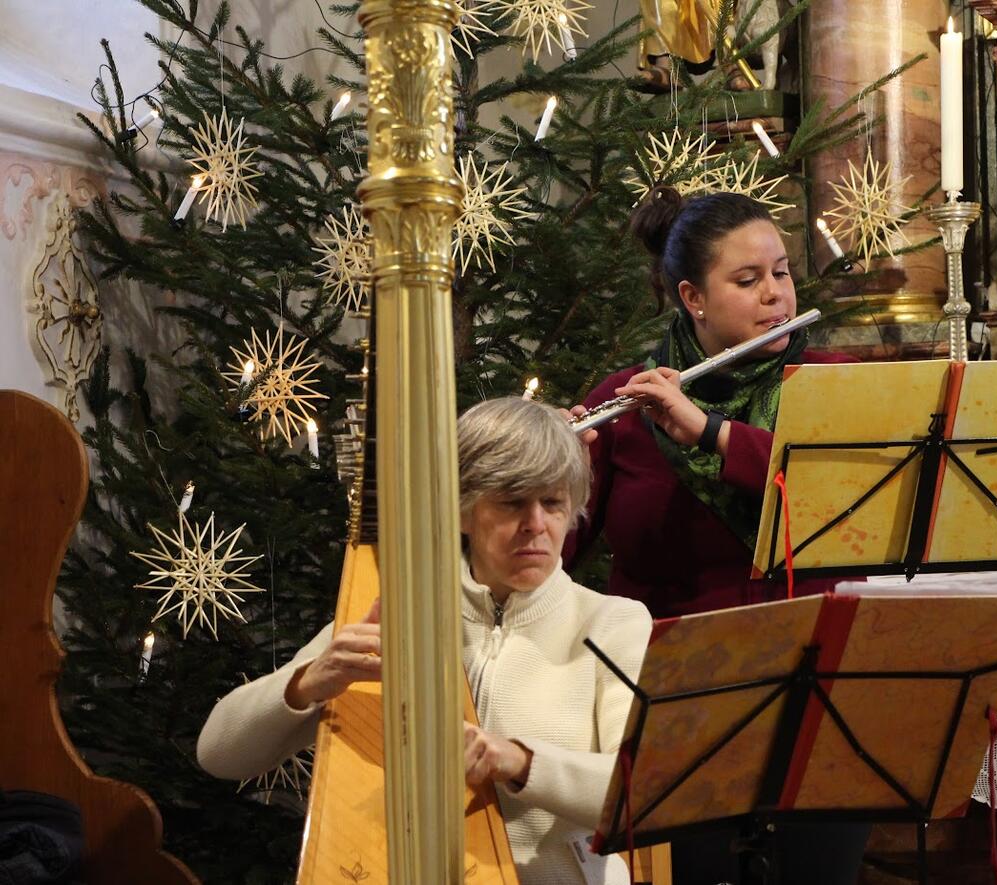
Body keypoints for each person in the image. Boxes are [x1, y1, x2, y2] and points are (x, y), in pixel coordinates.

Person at [196, 398, 652, 885]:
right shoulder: (400, 615)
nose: (536, 525)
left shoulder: (613, 623)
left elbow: (644, 789)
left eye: (553, 503)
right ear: (461, 511)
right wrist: (309, 682)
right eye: (512, 501)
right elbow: (219, 754)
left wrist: (517, 760)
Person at [565, 186, 867, 884]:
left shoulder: (832, 386)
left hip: (815, 706)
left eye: (782, 272)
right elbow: (551, 561)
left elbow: (835, 494)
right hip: (674, 712)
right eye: (748, 279)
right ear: (692, 299)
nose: (777, 296)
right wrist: (561, 481)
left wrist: (708, 431)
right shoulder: (628, 400)